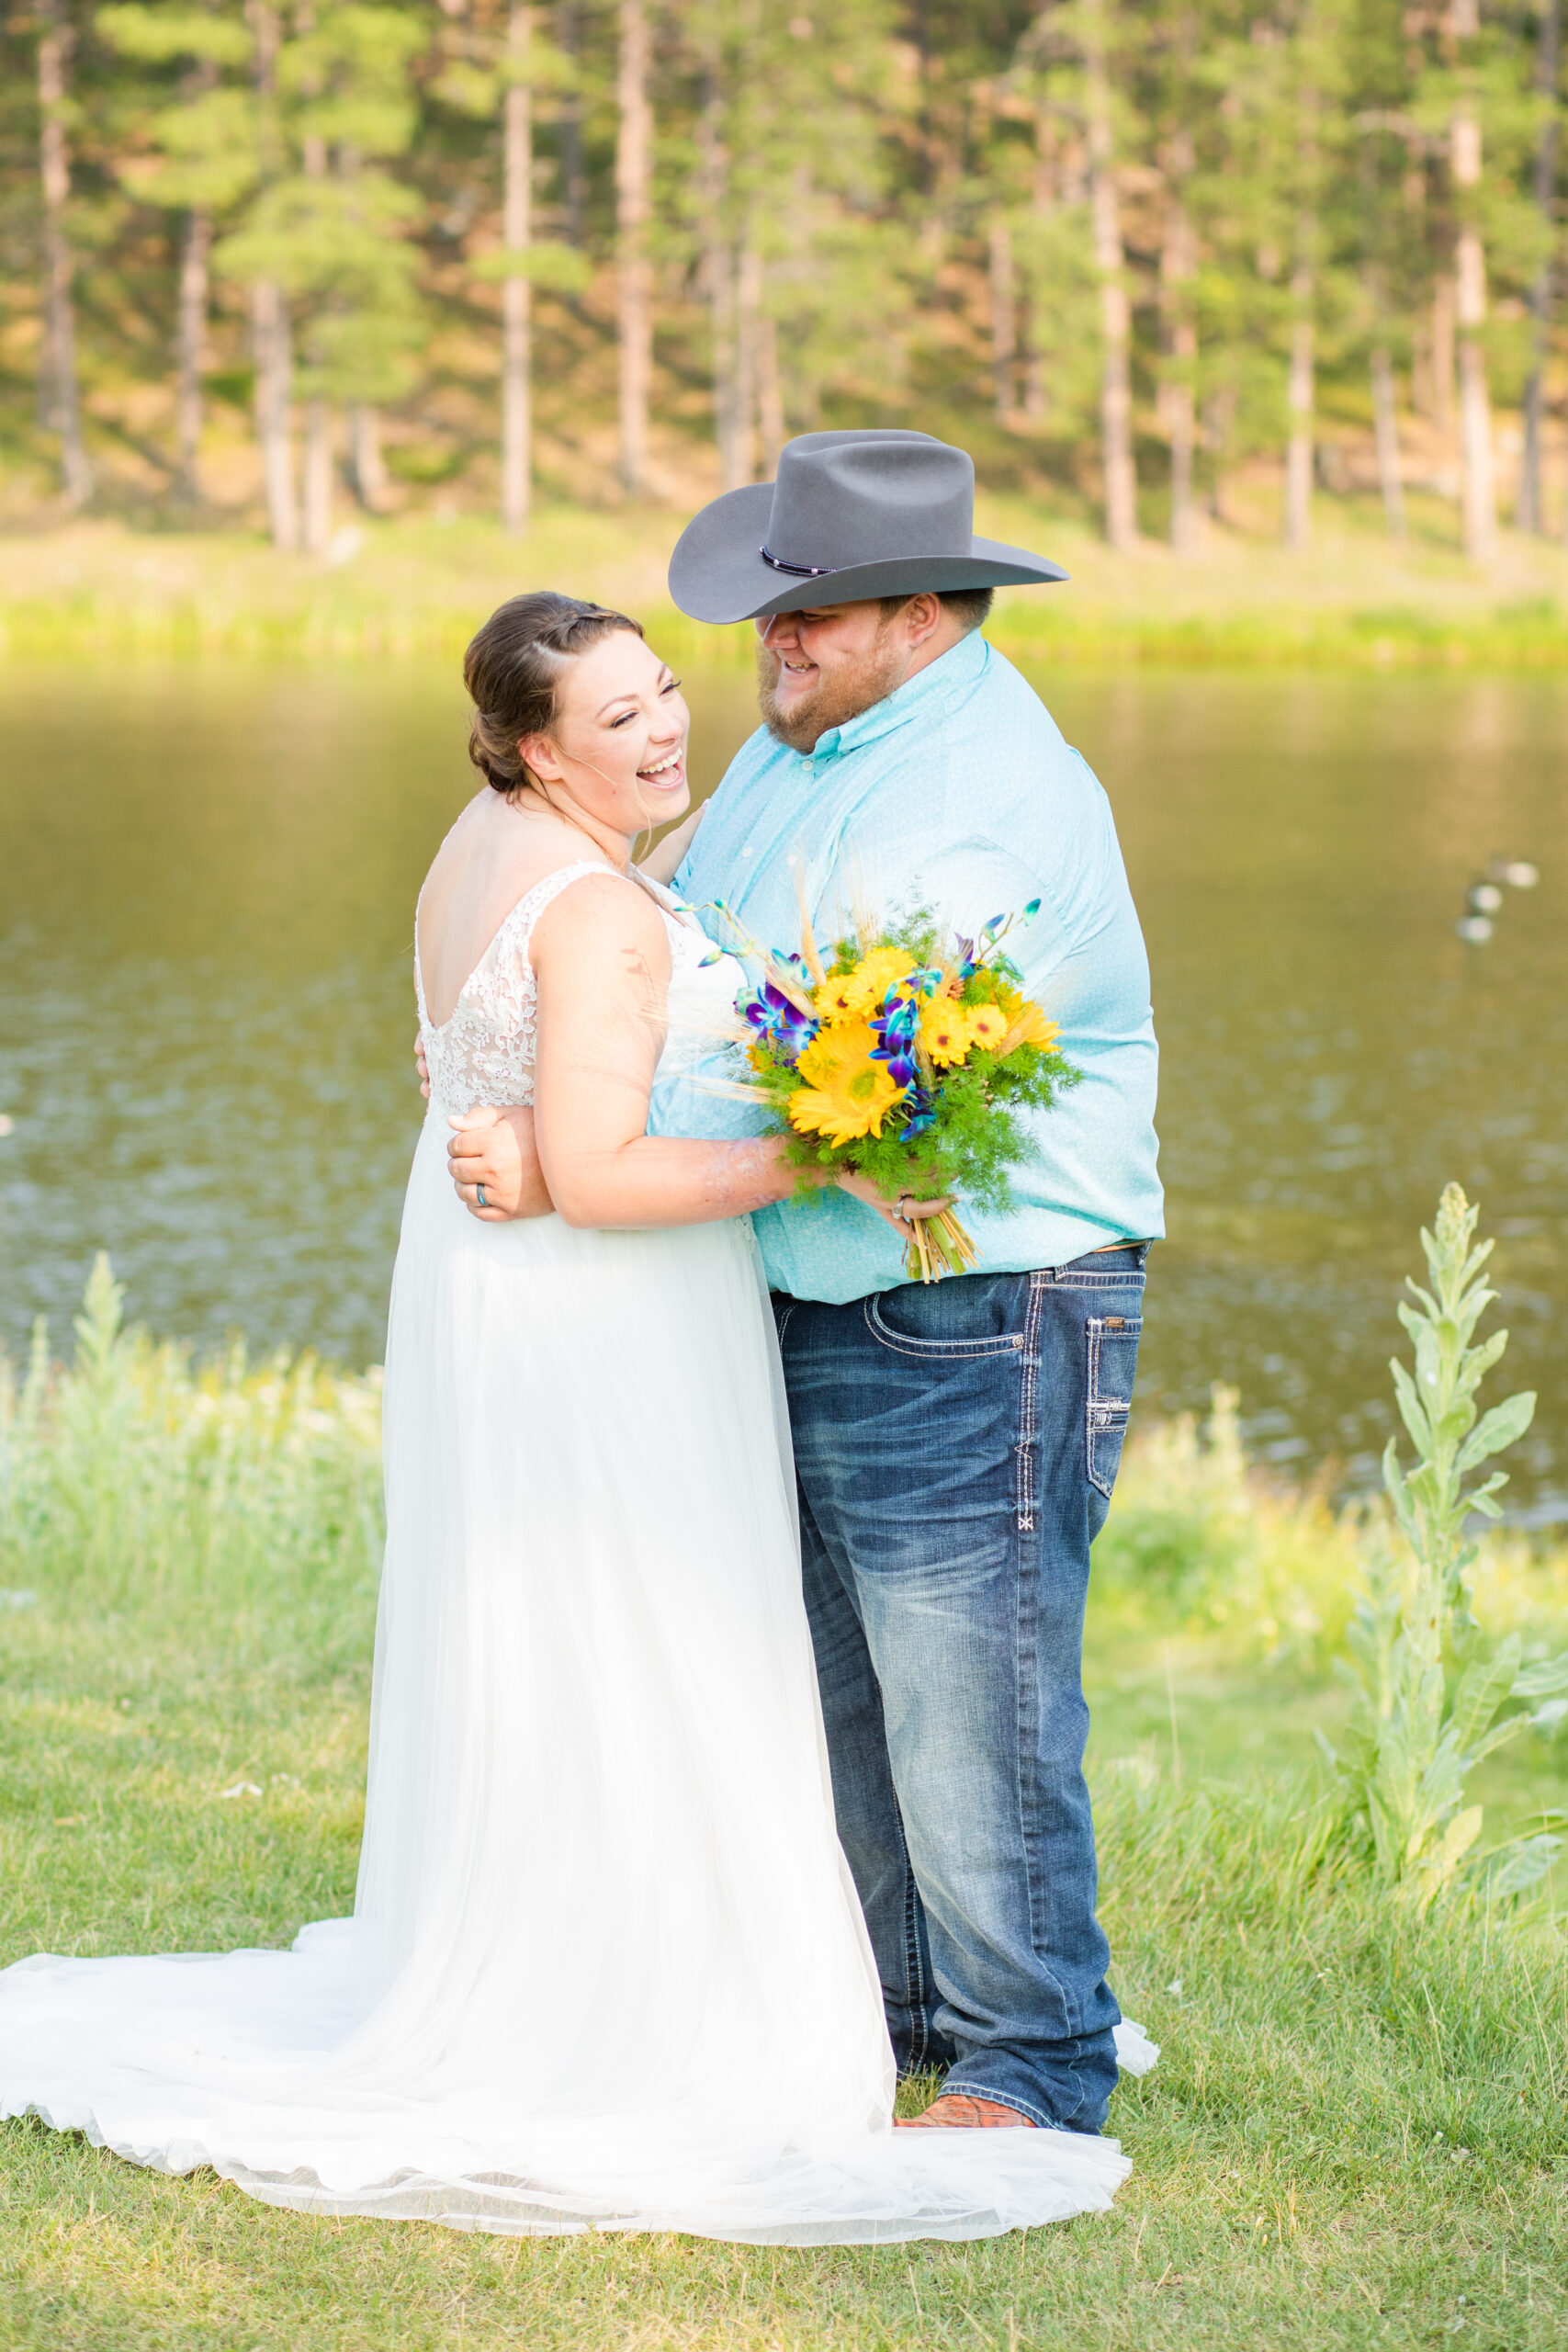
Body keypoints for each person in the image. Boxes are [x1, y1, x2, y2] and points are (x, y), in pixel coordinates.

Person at [0, 588, 1148, 2243]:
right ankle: (731, 1995)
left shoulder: (495, 841)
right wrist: (821, 1153)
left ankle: (984, 2039)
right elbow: (625, 1103)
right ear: (539, 751)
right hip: (606, 1308)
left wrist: (552, 1140)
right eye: (621, 716)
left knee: (630, 1634)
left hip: (579, 1302)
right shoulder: (668, 843)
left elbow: (558, 1060)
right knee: (659, 1633)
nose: (681, 715)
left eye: (668, 689)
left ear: (909, 614)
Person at [447, 430, 1165, 2140]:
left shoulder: (959, 806)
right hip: (816, 1279)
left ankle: (1032, 2067)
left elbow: (848, 1080)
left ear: (920, 614)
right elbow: (683, 947)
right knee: (842, 1685)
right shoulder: (809, 739)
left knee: (970, 1700)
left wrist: (576, 1149)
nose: (769, 649)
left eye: (810, 622)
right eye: (773, 615)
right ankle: (908, 2018)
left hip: (983, 1298)